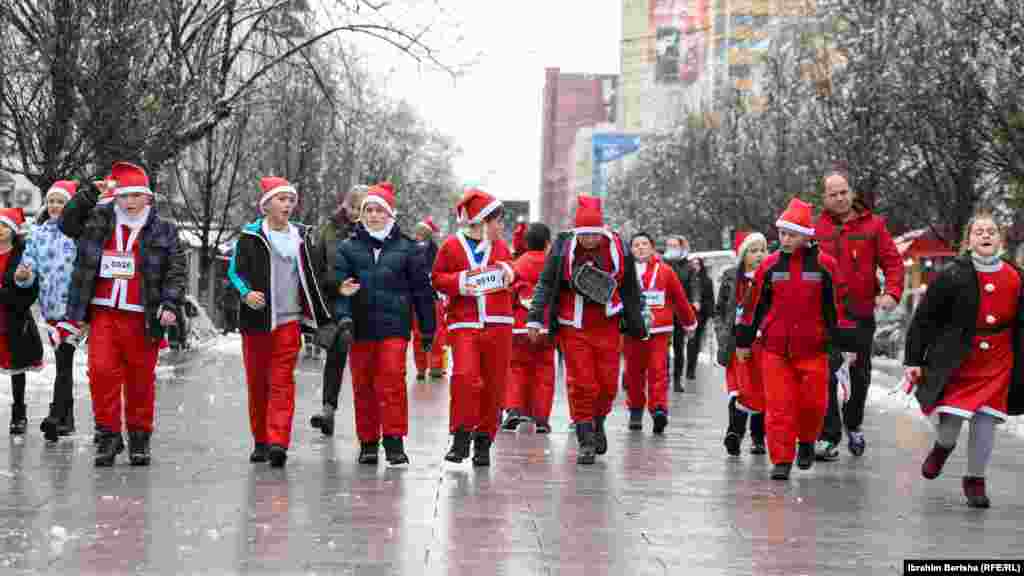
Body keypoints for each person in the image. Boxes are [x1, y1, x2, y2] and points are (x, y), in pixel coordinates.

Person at [59, 162, 186, 467]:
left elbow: (177, 269)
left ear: (148, 198)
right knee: (101, 373)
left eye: (136, 196)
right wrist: (90, 193)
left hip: (143, 314)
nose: (129, 202)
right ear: (116, 196)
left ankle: (139, 437)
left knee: (140, 379)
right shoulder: (100, 218)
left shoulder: (164, 229)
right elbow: (67, 224)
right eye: (124, 195)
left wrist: (170, 304)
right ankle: (108, 435)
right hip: (102, 310)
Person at [904, 211, 1024, 508]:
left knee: (986, 422)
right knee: (951, 423)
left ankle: (975, 479)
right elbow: (925, 320)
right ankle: (943, 448)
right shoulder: (953, 274)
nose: (986, 235)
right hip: (958, 358)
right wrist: (914, 359)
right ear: (968, 240)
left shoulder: (1015, 276)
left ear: (1000, 239)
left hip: (998, 358)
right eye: (979, 231)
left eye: (992, 231)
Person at [735, 197, 856, 480]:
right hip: (775, 350)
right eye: (782, 234)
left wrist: (845, 345)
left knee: (814, 405)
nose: (785, 239)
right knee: (779, 408)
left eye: (791, 234)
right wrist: (743, 341)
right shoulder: (770, 266)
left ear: (806, 236)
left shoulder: (825, 266)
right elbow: (753, 306)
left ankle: (806, 441)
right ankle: (781, 460)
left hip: (814, 350)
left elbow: (837, 308)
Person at [527, 196, 648, 465]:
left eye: (595, 234)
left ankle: (598, 421)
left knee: (607, 385)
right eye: (585, 234)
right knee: (583, 383)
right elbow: (546, 284)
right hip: (574, 326)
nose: (590, 239)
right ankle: (585, 438)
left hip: (607, 324)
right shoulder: (562, 248)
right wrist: (535, 318)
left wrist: (638, 320)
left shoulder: (618, 247)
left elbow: (630, 286)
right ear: (577, 232)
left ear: (602, 231)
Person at [229, 176, 332, 468]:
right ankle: (260, 441)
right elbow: (235, 272)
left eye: (290, 200)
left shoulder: (300, 238)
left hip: (289, 322)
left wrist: (325, 305)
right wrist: (246, 293)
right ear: (266, 205)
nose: (287, 205)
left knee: (282, 383)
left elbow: (314, 276)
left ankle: (278, 442)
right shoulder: (250, 237)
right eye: (281, 199)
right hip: (257, 322)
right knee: (258, 383)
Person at [336, 183, 434, 466]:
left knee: (391, 381)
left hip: (394, 327)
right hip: (361, 327)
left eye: (379, 210)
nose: (374, 215)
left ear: (390, 214)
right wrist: (343, 317)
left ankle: (394, 441)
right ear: (361, 214)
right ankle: (368, 442)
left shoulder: (409, 248)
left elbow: (421, 292)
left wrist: (427, 329)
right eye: (368, 210)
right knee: (363, 385)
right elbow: (340, 287)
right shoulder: (348, 248)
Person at [814, 168, 903, 460]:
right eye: (833, 194)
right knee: (825, 374)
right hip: (825, 315)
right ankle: (829, 436)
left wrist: (891, 292)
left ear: (851, 193)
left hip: (860, 313)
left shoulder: (874, 226)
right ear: (824, 199)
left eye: (844, 193)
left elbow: (893, 262)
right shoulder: (817, 230)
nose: (840, 199)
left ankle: (853, 423)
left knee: (858, 375)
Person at [432, 188, 515, 467]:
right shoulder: (451, 246)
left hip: (499, 323)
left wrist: (509, 274)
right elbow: (437, 278)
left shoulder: (501, 247)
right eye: (497, 221)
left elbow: (514, 274)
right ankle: (461, 435)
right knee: (465, 377)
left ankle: (483, 442)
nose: (501, 227)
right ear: (481, 220)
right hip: (464, 322)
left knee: (494, 384)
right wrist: (459, 283)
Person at [16, 180, 81, 441]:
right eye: (51, 201)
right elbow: (28, 266)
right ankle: (67, 418)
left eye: (61, 202)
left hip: (74, 309)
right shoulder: (38, 233)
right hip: (50, 309)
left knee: (64, 361)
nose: (55, 206)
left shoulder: (78, 232)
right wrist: (23, 275)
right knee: (63, 363)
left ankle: (58, 415)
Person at [623, 232, 696, 434]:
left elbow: (680, 298)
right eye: (636, 245)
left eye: (644, 244)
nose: (640, 248)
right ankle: (636, 410)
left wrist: (689, 323)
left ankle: (658, 410)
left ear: (652, 247)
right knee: (633, 374)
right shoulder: (624, 272)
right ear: (630, 249)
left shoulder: (665, 271)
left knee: (658, 372)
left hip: (659, 330)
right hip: (633, 330)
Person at [309, 184, 367, 437]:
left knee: (366, 365)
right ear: (345, 204)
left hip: (367, 304)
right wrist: (334, 288)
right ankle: (328, 410)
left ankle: (368, 424)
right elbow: (317, 269)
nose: (355, 213)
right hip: (337, 302)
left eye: (360, 208)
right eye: (352, 207)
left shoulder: (375, 230)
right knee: (338, 350)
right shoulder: (329, 230)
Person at [714, 230, 768, 456]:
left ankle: (758, 437)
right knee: (739, 389)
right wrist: (722, 335)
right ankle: (734, 433)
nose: (759, 255)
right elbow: (719, 311)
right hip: (736, 343)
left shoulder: (770, 276)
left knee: (762, 390)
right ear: (743, 253)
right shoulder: (730, 277)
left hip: (762, 344)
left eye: (763, 250)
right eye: (753, 250)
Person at [503, 222, 556, 433]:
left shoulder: (516, 264)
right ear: (547, 243)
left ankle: (515, 409)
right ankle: (541, 417)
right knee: (544, 370)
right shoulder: (553, 264)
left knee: (516, 368)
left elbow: (509, 294)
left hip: (519, 327)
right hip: (546, 326)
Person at [1, 208, 44, 436]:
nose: (0, 230)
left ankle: (19, 413)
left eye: (4, 226)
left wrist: (7, 294)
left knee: (16, 367)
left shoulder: (22, 255)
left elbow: (29, 294)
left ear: (14, 230)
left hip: (12, 320)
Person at [412, 216, 448, 380]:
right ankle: (435, 366)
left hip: (418, 299)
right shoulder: (437, 252)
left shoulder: (411, 251)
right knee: (436, 333)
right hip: (433, 297)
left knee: (419, 334)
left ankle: (421, 367)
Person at [663, 235, 697, 392]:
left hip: (680, 311)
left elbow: (693, 287)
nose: (672, 248)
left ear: (682, 247)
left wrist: (694, 302)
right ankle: (665, 377)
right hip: (664, 311)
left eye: (675, 245)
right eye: (669, 245)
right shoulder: (661, 264)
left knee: (678, 347)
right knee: (663, 348)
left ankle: (677, 380)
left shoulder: (689, 267)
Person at [684, 256, 715, 383]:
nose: (695, 266)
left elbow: (710, 298)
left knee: (696, 341)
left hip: (701, 314)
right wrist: (691, 303)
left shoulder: (707, 280)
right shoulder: (686, 280)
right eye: (693, 264)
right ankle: (686, 367)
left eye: (698, 264)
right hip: (687, 313)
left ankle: (691, 369)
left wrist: (711, 314)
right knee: (690, 341)